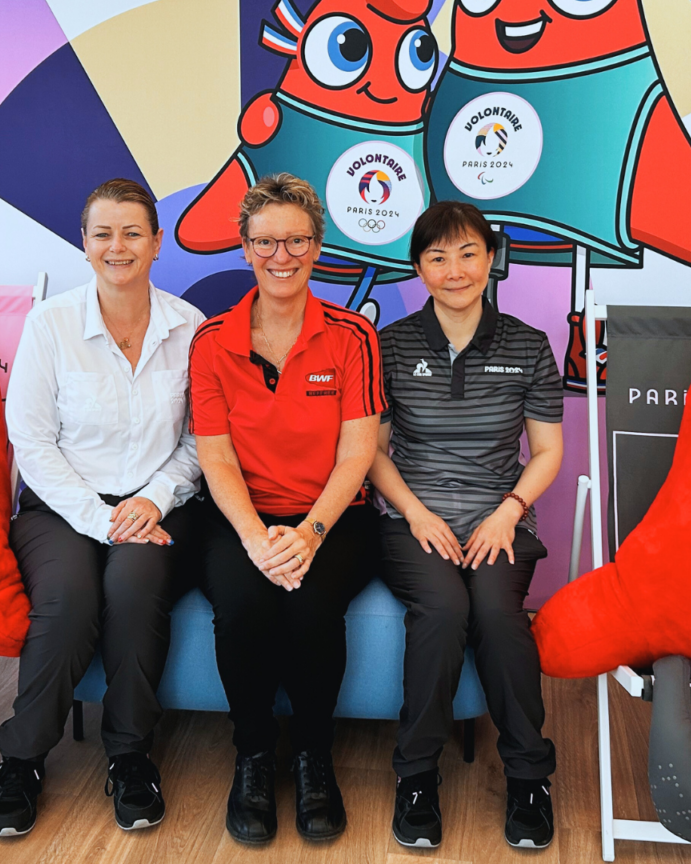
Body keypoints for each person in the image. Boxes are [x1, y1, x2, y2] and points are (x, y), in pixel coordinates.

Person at [0, 179, 205, 837]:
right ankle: (22, 758)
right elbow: (30, 440)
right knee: (71, 600)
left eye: (132, 232)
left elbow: (200, 440)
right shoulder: (50, 324)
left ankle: (130, 756)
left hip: (157, 504)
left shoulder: (188, 326)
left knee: (135, 589)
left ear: (157, 243)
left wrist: (153, 499)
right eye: (103, 233)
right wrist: (96, 516)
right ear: (84, 244)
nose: (118, 246)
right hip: (62, 508)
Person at [188, 173, 383, 845]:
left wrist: (309, 534)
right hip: (242, 516)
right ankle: (252, 754)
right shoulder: (212, 340)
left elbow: (358, 453)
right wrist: (254, 538)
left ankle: (313, 756)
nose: (282, 255)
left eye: (296, 240)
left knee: (310, 606)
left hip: (334, 518)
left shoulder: (353, 335)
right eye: (266, 241)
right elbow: (214, 456)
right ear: (244, 248)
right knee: (243, 605)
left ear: (318, 246)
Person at [368, 200, 565, 849]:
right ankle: (417, 777)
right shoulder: (389, 347)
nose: (454, 270)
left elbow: (548, 452)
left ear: (491, 258)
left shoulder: (529, 346)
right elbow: (370, 451)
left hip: (497, 521)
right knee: (445, 610)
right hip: (410, 520)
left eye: (468, 253)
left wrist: (508, 512)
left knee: (499, 614)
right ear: (418, 268)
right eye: (437, 256)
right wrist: (416, 512)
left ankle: (528, 778)